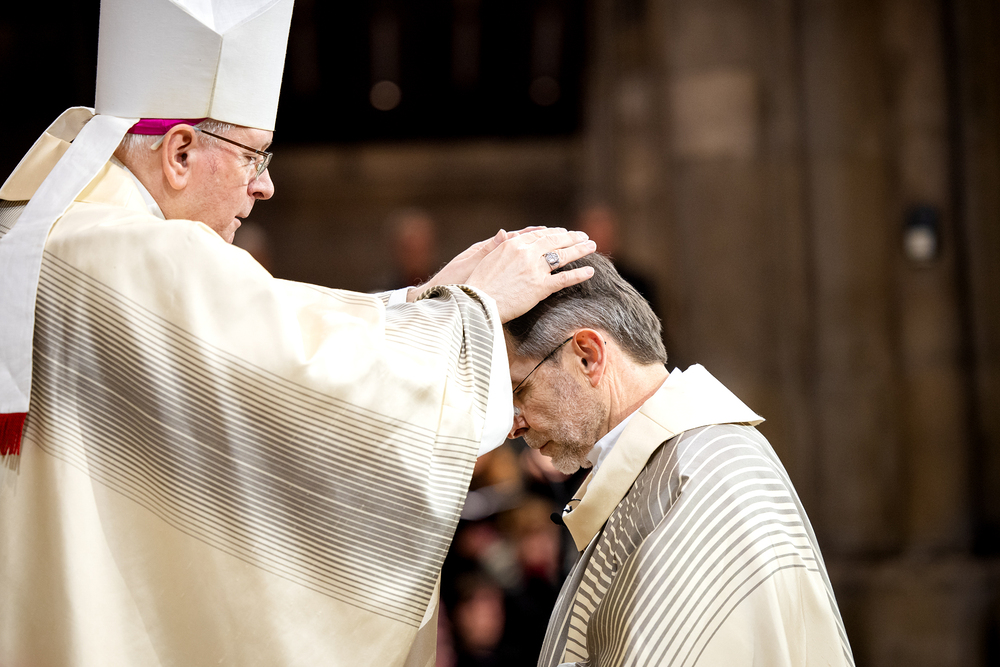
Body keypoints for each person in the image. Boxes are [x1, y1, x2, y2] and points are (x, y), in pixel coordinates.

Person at [0, 1, 595, 666]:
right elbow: (304, 371)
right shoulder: (144, 256)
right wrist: (469, 316)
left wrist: (426, 304)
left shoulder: (63, 241)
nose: (266, 186)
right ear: (180, 152)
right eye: (254, 156)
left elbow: (274, 331)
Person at [504, 254, 855, 667]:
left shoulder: (703, 475)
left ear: (588, 356)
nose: (513, 426)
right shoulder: (664, 465)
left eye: (519, 391)